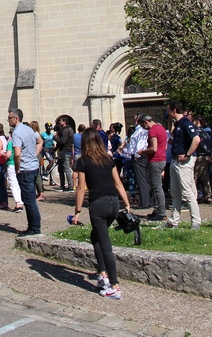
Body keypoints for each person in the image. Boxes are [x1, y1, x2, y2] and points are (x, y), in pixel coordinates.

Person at [71, 128, 131, 300]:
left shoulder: (83, 161)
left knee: (105, 244)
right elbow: (118, 183)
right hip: (113, 202)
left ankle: (114, 285)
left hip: (98, 203)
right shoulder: (108, 158)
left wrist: (77, 211)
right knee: (96, 236)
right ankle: (102, 273)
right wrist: (126, 203)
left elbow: (81, 188)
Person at [164, 100, 201, 230]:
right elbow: (174, 134)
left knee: (187, 192)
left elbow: (196, 139)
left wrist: (187, 154)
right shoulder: (178, 124)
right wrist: (169, 121)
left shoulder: (186, 123)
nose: (168, 112)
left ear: (174, 110)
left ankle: (196, 221)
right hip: (175, 161)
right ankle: (174, 220)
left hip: (183, 162)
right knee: (175, 192)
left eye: (169, 110)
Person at [9, 109, 41, 236]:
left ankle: (34, 228)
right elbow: (40, 141)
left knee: (29, 200)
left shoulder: (17, 132)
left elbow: (17, 154)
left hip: (25, 169)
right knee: (30, 198)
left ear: (16, 119)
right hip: (33, 167)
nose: (8, 119)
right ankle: (32, 226)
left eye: (10, 117)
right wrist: (34, 155)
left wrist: (17, 167)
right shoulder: (29, 129)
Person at [139, 113, 167, 222]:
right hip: (162, 159)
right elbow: (163, 146)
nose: (143, 128)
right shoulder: (161, 128)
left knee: (156, 187)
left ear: (145, 122)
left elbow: (154, 148)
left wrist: (143, 152)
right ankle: (157, 209)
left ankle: (161, 212)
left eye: (142, 125)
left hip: (155, 160)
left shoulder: (153, 130)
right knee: (156, 186)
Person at [125, 114, 150, 209]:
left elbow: (139, 145)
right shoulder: (139, 131)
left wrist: (136, 155)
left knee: (141, 180)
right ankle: (147, 200)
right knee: (144, 179)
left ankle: (145, 202)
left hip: (139, 157)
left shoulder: (140, 131)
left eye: (136, 119)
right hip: (139, 156)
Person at [54, 115, 74, 192]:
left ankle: (70, 186)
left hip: (65, 151)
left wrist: (55, 137)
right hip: (66, 150)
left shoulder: (65, 130)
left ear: (64, 122)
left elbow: (62, 141)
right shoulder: (69, 129)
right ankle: (62, 185)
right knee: (61, 168)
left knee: (66, 168)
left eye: (61, 121)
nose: (59, 122)